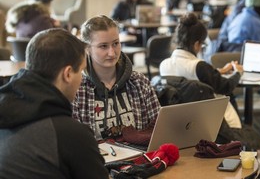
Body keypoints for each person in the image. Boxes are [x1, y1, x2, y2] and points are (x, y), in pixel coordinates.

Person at [0, 28, 109, 179]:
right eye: (82, 71)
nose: (82, 79)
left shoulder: (5, 109)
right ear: (68, 74)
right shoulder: (72, 134)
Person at [159, 12, 260, 150]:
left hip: (181, 127)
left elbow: (187, 80)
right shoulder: (199, 66)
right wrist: (238, 72)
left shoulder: (164, 65)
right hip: (213, 127)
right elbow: (226, 87)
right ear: (197, 44)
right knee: (254, 134)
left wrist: (218, 71)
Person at [72, 15, 161, 141]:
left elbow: (158, 129)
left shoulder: (139, 82)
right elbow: (75, 142)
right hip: (98, 159)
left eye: (115, 43)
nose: (112, 53)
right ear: (87, 49)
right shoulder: (77, 89)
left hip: (140, 157)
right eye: (103, 46)